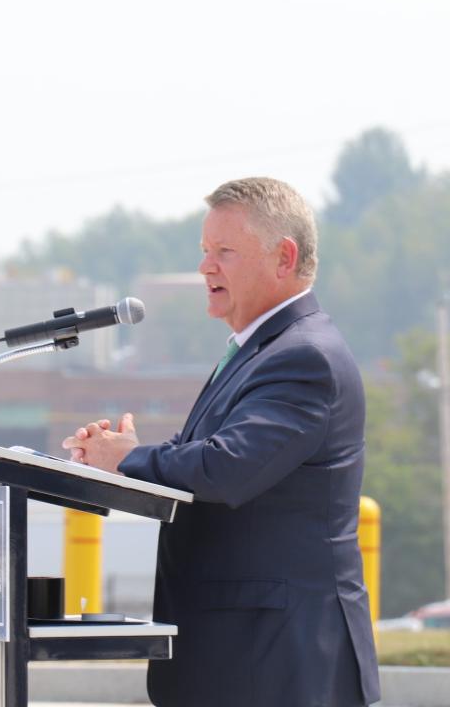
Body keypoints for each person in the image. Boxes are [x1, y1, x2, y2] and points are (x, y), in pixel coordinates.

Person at [62, 177, 381, 707]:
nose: (205, 267)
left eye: (224, 252)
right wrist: (125, 456)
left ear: (284, 258)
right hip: (239, 656)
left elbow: (228, 468)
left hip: (279, 661)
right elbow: (210, 455)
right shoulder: (256, 350)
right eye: (205, 251)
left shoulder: (305, 357)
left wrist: (131, 458)